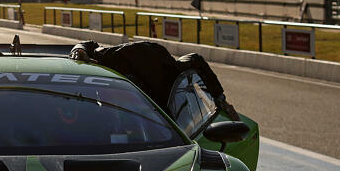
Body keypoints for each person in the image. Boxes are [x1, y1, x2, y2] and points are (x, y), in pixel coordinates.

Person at [69, 40, 239, 119]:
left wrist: (220, 99)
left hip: (156, 60)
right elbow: (88, 45)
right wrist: (79, 51)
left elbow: (195, 59)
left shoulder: (171, 77)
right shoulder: (112, 59)